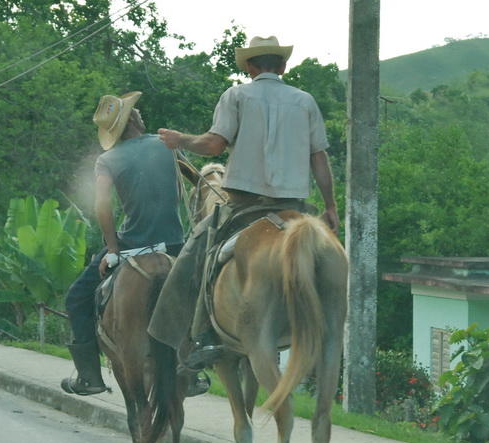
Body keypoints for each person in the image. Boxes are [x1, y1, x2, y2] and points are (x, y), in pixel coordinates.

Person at [148, 35, 339, 372]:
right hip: (293, 205)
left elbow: (213, 146)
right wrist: (331, 207)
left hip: (242, 204)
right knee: (327, 256)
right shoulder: (305, 101)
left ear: (250, 67)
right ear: (282, 66)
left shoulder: (236, 95)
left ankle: (201, 333)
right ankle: (330, 323)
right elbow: (319, 158)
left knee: (198, 254)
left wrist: (181, 140)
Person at [61, 92, 184, 396]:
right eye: (136, 111)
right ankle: (193, 367)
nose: (139, 113)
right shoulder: (168, 144)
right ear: (136, 120)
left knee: (77, 299)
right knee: (203, 293)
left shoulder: (108, 159)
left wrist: (113, 248)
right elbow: (188, 188)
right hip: (174, 246)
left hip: (130, 246)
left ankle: (89, 376)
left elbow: (103, 204)